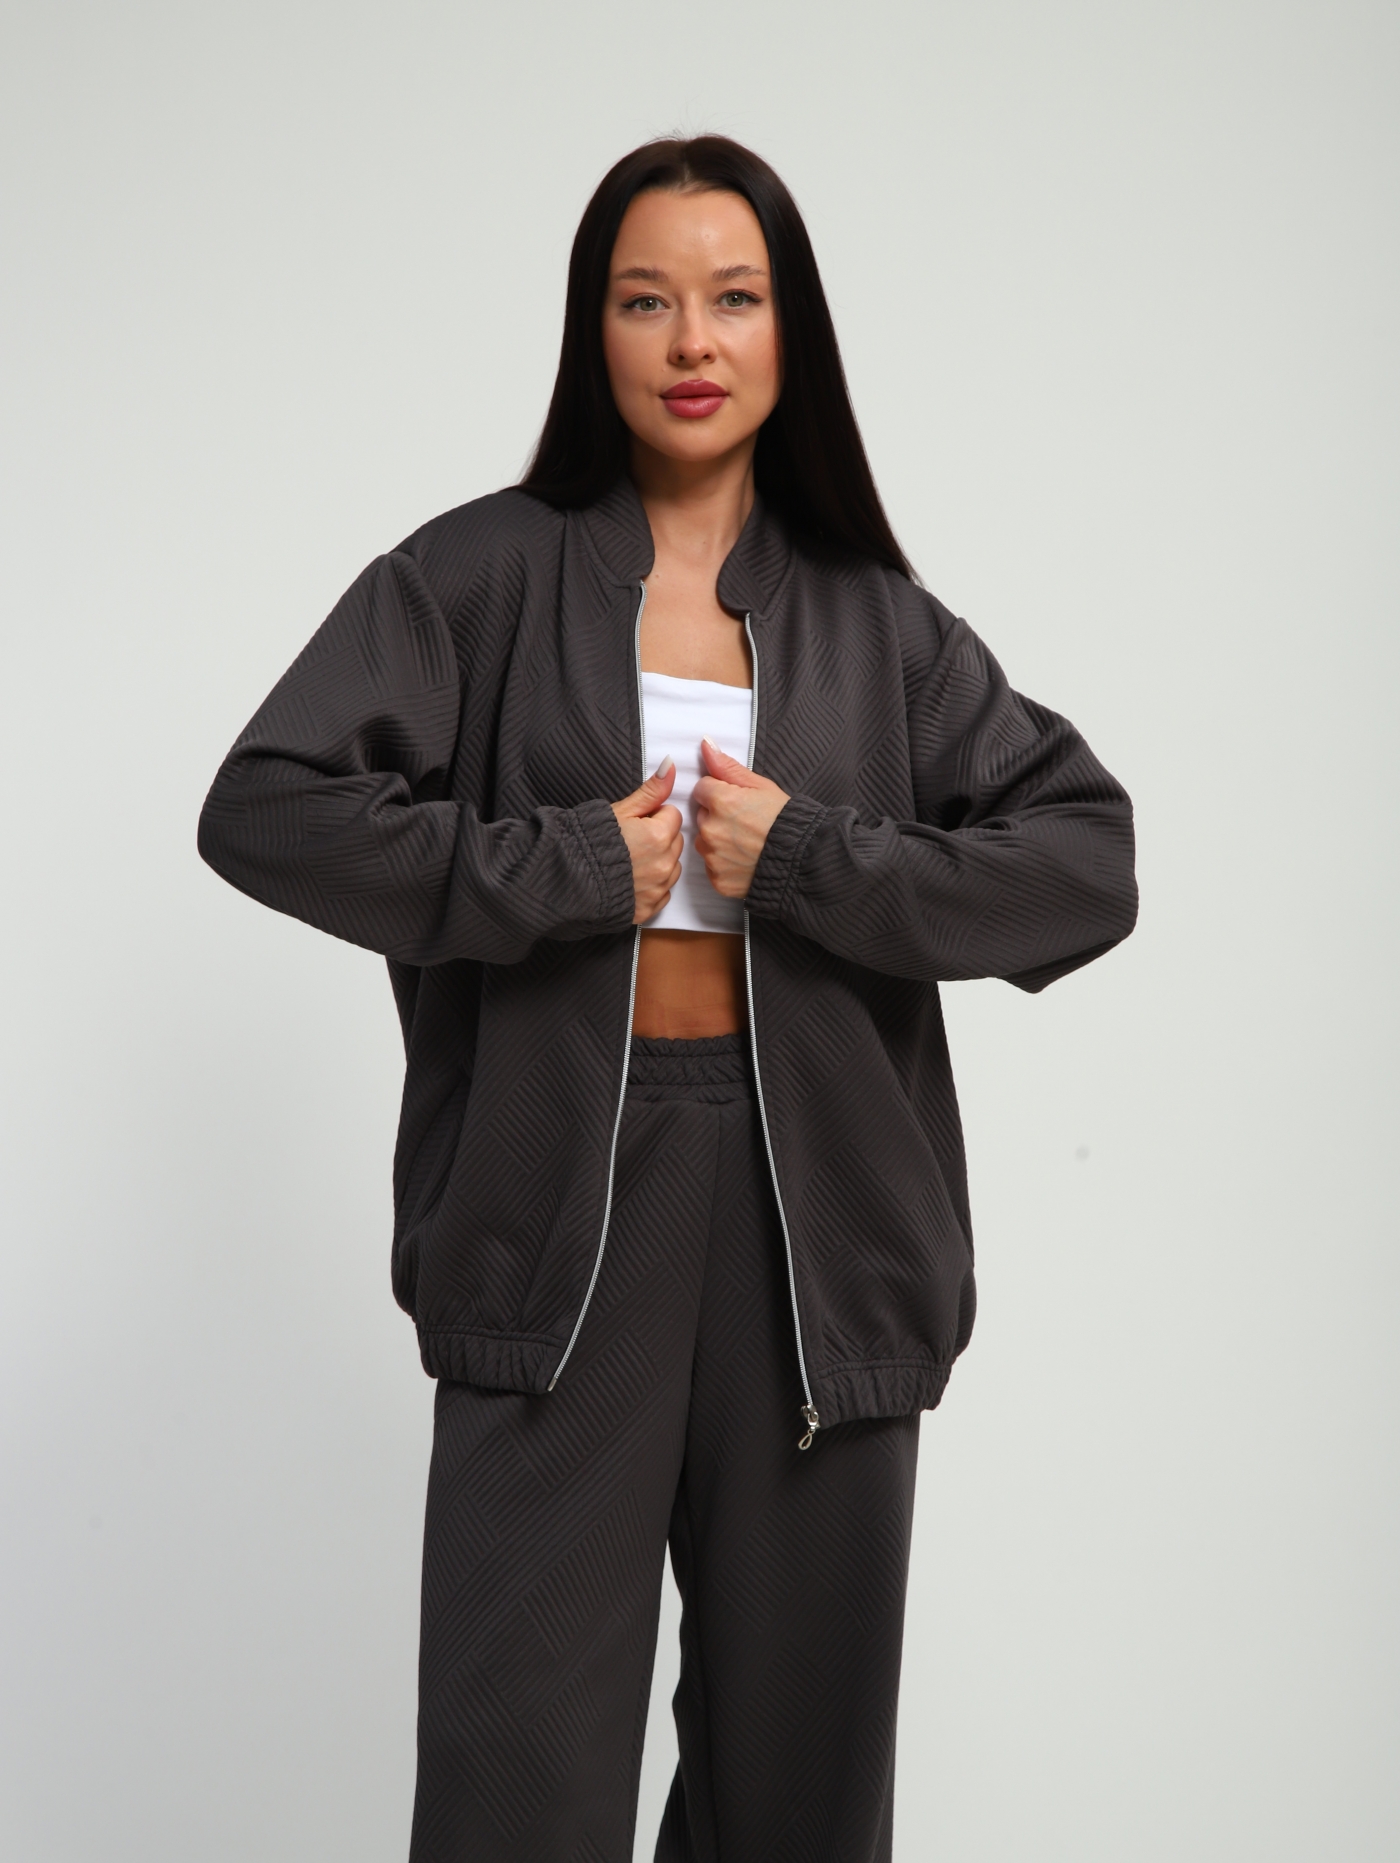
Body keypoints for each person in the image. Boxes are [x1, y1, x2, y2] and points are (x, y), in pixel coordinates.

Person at [199, 135, 1137, 1863]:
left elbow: (1086, 865)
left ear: (791, 334)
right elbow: (267, 811)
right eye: (646, 301)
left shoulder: (877, 624)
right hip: (557, 1224)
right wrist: (559, 867)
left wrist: (814, 861)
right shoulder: (479, 577)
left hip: (820, 1250)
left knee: (800, 1804)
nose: (692, 339)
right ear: (595, 330)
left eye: (734, 298)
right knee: (518, 1791)